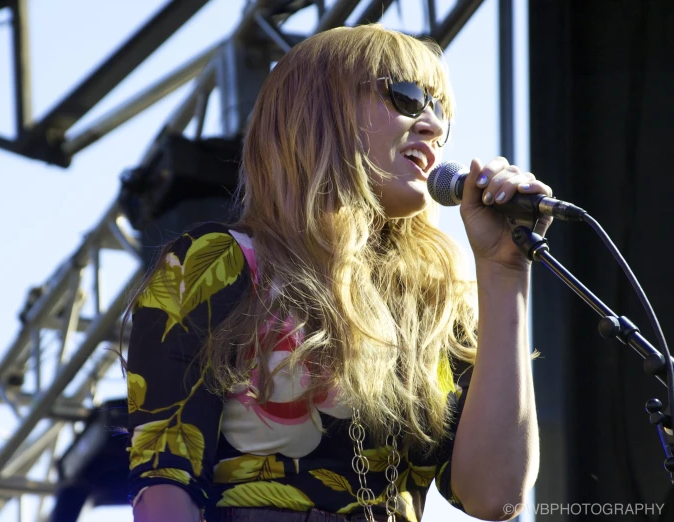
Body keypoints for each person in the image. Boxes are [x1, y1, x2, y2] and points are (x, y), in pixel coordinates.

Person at [123, 23, 550, 522]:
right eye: (409, 97)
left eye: (443, 114)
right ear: (317, 111)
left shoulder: (435, 300)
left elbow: (496, 496)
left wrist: (505, 271)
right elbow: (164, 484)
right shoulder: (217, 261)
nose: (433, 126)